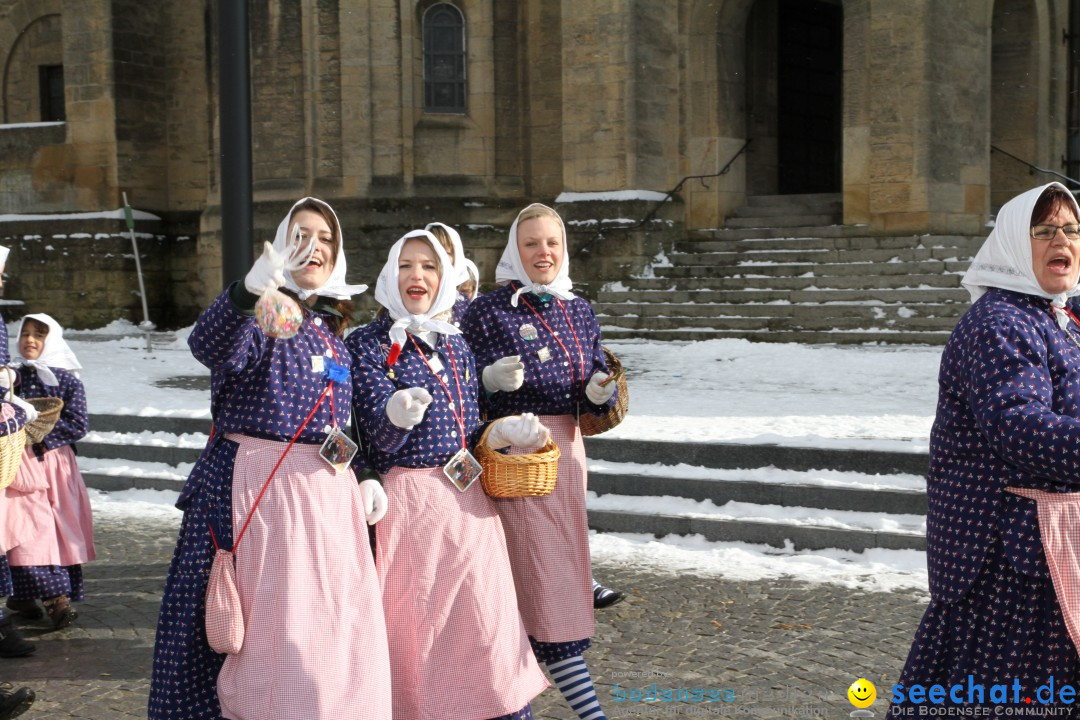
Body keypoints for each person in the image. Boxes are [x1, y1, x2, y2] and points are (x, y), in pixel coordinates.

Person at [148, 198, 391, 720]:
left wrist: (365, 473)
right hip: (258, 495)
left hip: (324, 502)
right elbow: (210, 347)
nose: (314, 246)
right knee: (263, 629)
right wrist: (248, 291)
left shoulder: (331, 330)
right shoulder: (269, 310)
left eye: (325, 237)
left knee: (321, 628)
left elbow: (339, 425)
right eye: (301, 235)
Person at [889, 182, 1080, 714]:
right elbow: (1018, 426)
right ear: (1016, 244)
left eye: (1070, 228)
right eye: (1042, 231)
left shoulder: (1058, 316)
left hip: (1044, 550)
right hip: (1003, 559)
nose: (1059, 238)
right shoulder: (1000, 323)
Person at [348, 229, 549, 720]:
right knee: (422, 633)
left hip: (469, 503)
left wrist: (501, 432)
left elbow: (469, 426)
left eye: (430, 266)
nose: (418, 276)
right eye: (407, 265)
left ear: (446, 277)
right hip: (409, 509)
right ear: (390, 274)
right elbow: (368, 433)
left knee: (485, 622)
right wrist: (392, 415)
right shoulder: (368, 345)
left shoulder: (456, 345)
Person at [462, 203, 619, 720]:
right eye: (532, 243)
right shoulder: (489, 310)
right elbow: (459, 389)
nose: (543, 252)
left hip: (568, 455)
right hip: (516, 455)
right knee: (538, 583)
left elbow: (593, 375)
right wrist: (486, 382)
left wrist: (597, 391)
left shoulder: (580, 308)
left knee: (555, 579)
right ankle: (585, 709)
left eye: (551, 242)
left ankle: (509, 699)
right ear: (515, 250)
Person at [4, 314, 93, 631]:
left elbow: (78, 423)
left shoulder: (66, 380)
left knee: (54, 530)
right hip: (17, 463)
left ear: (51, 340)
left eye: (38, 335)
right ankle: (45, 598)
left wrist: (40, 440)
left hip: (53, 464)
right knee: (26, 530)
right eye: (25, 334)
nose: (29, 340)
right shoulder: (9, 376)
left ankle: (38, 598)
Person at [425, 222, 472, 325]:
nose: (439, 257)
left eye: (446, 252)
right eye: (433, 250)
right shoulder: (412, 296)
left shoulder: (465, 305)